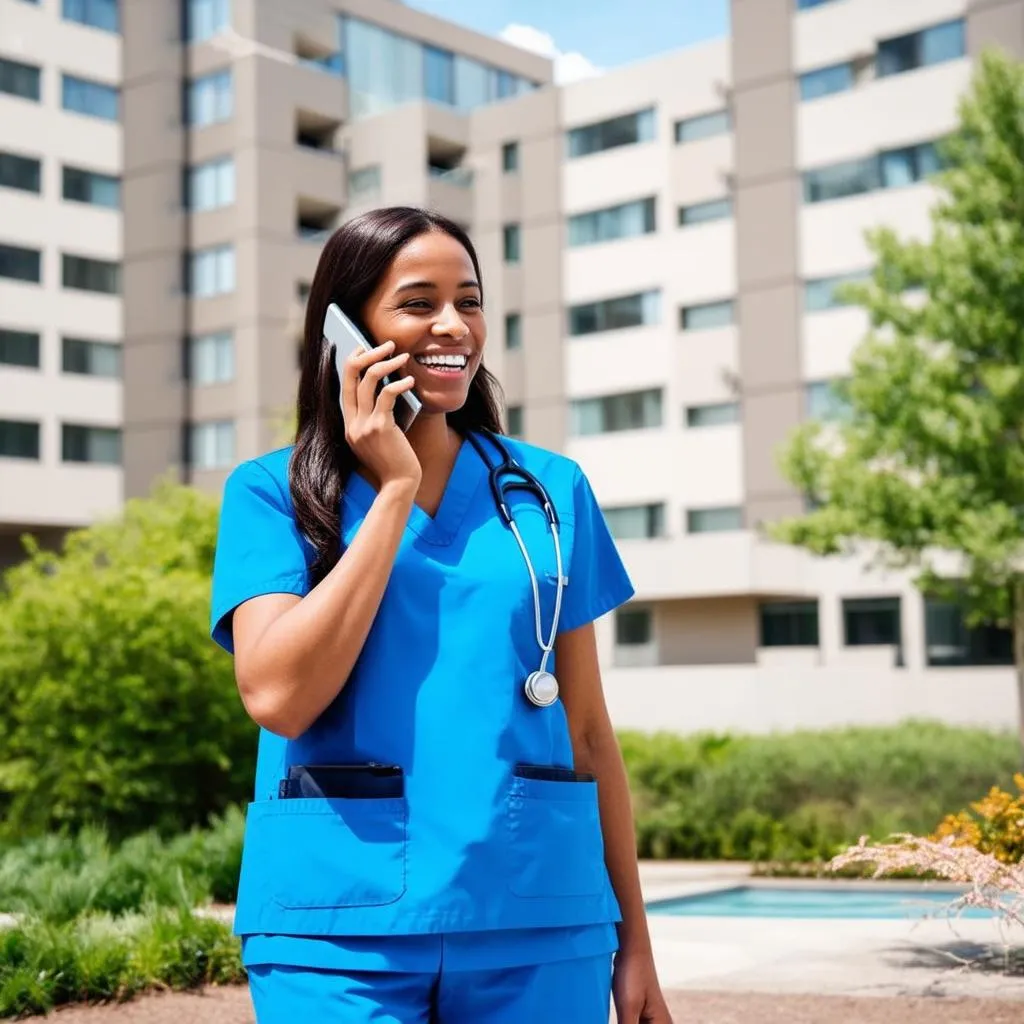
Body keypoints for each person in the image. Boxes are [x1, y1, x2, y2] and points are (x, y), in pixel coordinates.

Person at [209, 206, 673, 1024]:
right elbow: (278, 696)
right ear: (347, 331)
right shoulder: (271, 495)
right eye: (418, 303)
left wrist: (636, 942)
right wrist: (390, 491)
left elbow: (592, 731)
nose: (453, 325)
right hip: (337, 927)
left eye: (470, 299)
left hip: (541, 917)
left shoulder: (550, 493)